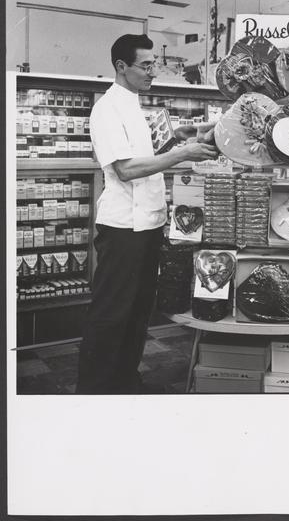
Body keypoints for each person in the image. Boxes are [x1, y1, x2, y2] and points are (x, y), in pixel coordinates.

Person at [76, 34, 218, 394]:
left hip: (149, 225)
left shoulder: (135, 105)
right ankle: (94, 393)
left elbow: (146, 152)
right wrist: (181, 155)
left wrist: (181, 136)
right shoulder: (107, 108)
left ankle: (126, 383)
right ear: (121, 66)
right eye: (146, 65)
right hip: (123, 228)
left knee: (138, 313)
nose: (153, 71)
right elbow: (126, 169)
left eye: (154, 64)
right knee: (111, 315)